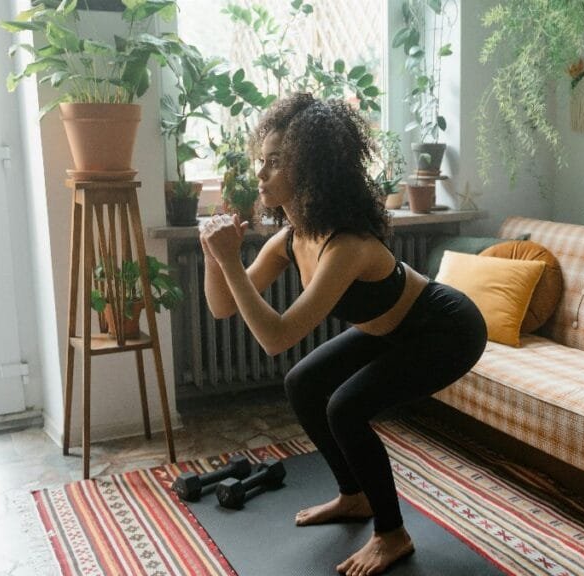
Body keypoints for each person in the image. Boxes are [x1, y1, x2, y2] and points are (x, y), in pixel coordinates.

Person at [199, 93, 487, 576]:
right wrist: (215, 257)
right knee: (302, 383)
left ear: (309, 169)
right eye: (261, 162)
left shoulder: (347, 244)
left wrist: (230, 261)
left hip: (445, 328)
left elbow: (276, 336)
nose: (262, 173)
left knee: (346, 406)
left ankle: (392, 534)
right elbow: (223, 305)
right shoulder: (290, 239)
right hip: (389, 329)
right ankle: (354, 496)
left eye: (275, 163)